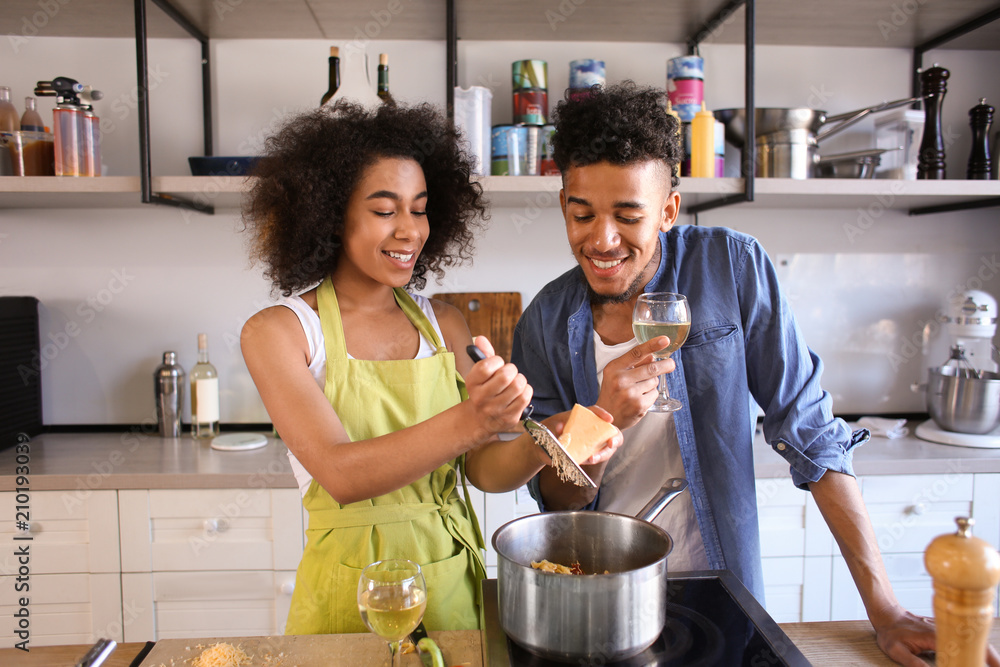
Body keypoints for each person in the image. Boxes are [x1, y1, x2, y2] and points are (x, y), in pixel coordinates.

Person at [510, 82, 997, 667]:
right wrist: (600, 420)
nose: (602, 240)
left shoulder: (732, 267)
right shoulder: (543, 318)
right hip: (603, 592)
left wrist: (884, 609)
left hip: (723, 582)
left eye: (628, 216)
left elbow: (811, 432)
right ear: (563, 201)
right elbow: (556, 499)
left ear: (668, 209)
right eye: (581, 213)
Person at [240, 100, 620, 636]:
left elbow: (480, 471)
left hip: (450, 582)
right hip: (351, 594)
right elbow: (342, 474)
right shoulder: (279, 332)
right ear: (329, 213)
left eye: (418, 209)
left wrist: (546, 439)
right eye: (384, 209)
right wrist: (476, 419)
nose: (409, 231)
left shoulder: (444, 324)